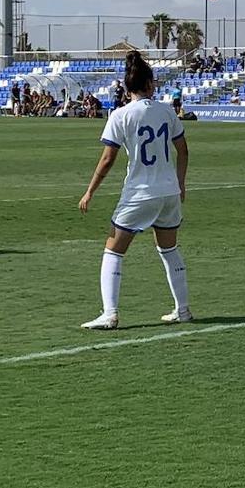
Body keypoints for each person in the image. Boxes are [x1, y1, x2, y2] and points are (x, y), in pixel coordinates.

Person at [76, 51, 191, 329]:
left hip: (140, 192)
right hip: (168, 192)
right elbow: (183, 150)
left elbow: (107, 159)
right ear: (150, 84)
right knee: (169, 249)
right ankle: (183, 309)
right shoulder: (167, 111)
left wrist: (90, 191)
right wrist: (180, 183)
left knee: (113, 250)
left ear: (127, 88)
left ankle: (110, 313)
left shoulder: (120, 115)